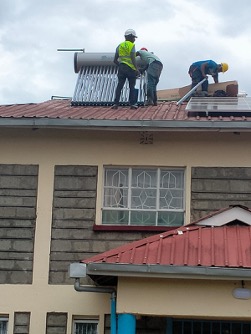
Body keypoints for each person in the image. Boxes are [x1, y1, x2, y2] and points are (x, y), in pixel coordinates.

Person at [112, 29, 139, 110]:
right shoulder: (131, 45)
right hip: (130, 69)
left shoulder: (119, 46)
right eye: (134, 37)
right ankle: (132, 104)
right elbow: (133, 59)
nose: (134, 39)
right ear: (130, 37)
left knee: (119, 86)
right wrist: (136, 69)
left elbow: (114, 60)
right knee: (132, 86)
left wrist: (120, 65)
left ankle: (115, 104)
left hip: (121, 68)